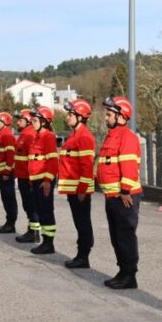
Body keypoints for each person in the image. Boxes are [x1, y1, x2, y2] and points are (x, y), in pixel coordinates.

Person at [97, 96, 142, 290]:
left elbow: (129, 166)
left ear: (121, 116)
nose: (106, 118)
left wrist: (125, 191)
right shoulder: (112, 136)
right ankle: (122, 271)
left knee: (125, 236)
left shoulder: (127, 137)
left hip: (124, 197)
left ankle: (129, 276)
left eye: (109, 114)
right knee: (117, 237)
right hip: (112, 196)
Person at [58, 99, 96, 269]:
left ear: (81, 116)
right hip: (73, 189)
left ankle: (83, 256)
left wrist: (82, 189)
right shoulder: (74, 136)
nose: (68, 117)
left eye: (71, 114)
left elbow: (86, 166)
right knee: (79, 222)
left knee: (83, 223)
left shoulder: (84, 136)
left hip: (79, 190)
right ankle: (81, 255)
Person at [29, 106, 59, 255]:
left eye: (35, 120)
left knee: (46, 211)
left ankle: (49, 243)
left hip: (43, 180)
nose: (32, 122)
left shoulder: (48, 137)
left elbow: (53, 161)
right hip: (36, 180)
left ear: (44, 122)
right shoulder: (37, 137)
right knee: (40, 210)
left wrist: (47, 180)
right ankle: (45, 241)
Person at [13, 109, 39, 243]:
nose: (17, 122)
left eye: (20, 120)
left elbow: (32, 159)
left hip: (27, 178)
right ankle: (32, 230)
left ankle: (34, 233)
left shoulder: (29, 135)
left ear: (28, 121)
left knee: (31, 205)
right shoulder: (24, 134)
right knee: (27, 205)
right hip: (22, 176)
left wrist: (30, 178)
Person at [0, 112, 18, 234]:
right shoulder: (1, 135)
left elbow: (10, 156)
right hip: (2, 172)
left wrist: (7, 172)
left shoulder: (7, 136)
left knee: (9, 198)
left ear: (4, 122)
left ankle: (11, 223)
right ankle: (9, 222)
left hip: (5, 173)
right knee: (6, 198)